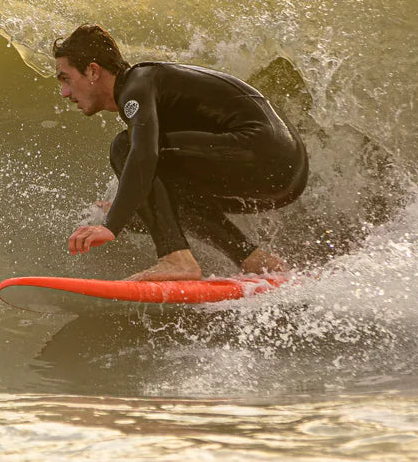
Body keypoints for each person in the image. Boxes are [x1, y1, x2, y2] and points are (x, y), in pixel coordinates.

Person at [52, 24, 308, 281]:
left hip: (265, 150)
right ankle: (253, 258)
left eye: (66, 79)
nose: (64, 92)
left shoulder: (137, 86)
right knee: (154, 197)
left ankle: (175, 258)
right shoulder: (146, 88)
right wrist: (132, 209)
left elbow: (143, 154)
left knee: (124, 147)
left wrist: (111, 225)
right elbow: (156, 176)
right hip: (288, 173)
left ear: (93, 71)